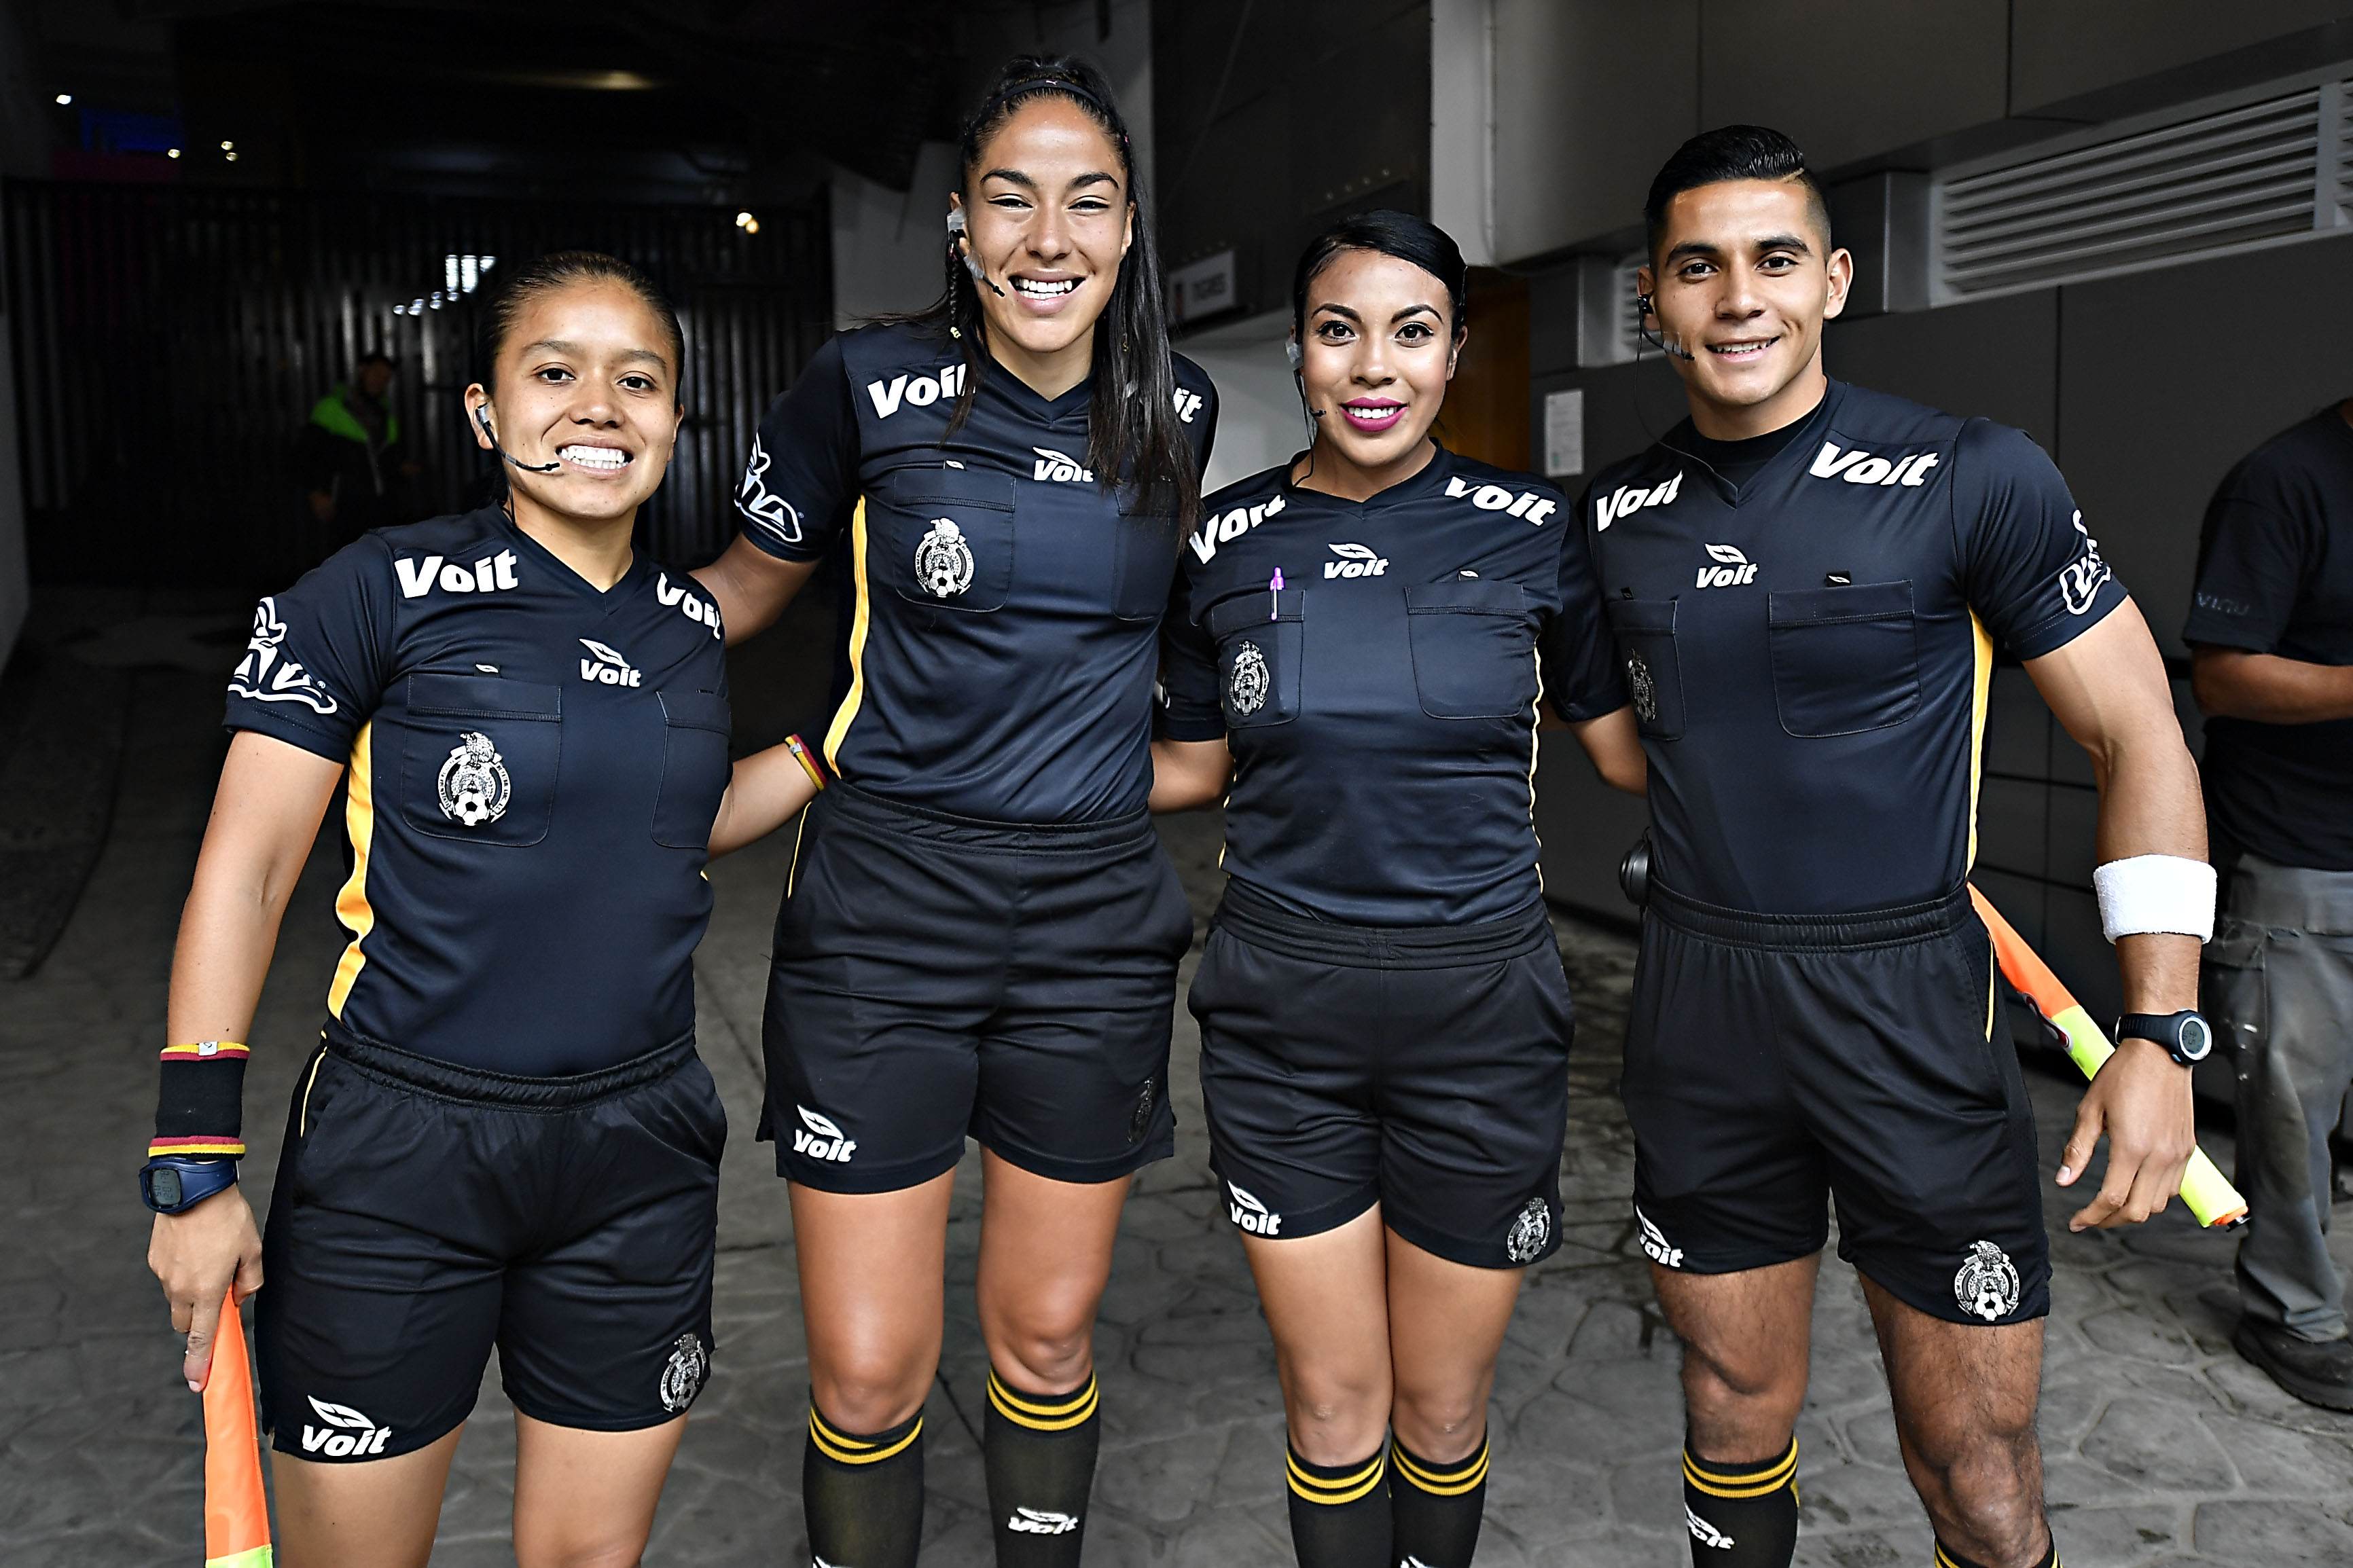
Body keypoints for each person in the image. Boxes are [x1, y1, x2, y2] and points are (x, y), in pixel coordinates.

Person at [143, 251, 829, 1568]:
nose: (599, 405)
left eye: (639, 379)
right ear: (482, 412)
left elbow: (670, 822)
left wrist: (828, 751)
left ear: (677, 419)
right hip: (404, 1150)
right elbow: (246, 867)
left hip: (639, 1149)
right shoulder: (368, 593)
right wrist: (195, 1168)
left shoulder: (685, 623)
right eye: (554, 372)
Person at [1586, 127, 2211, 1568]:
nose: (1738, 296)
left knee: (1979, 1474)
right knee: (1730, 1410)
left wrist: (2161, 1029)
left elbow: (2140, 736)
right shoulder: (1607, 520)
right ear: (1652, 298)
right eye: (1698, 266)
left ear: (1834, 280)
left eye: (1774, 259)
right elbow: (1613, 743)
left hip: (1912, 1008)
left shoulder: (1968, 472)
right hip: (1701, 1008)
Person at [687, 56, 1216, 1568]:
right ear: (965, 234)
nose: (1049, 236)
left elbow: (1183, 666)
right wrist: (543, 618)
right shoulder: (862, 386)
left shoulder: (1176, 400)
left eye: (1087, 201)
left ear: (1124, 237)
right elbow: (735, 591)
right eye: (1012, 198)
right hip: (884, 914)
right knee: (866, 1364)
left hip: (1091, 925)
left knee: (1045, 1339)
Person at [1148, 210, 1643, 1568]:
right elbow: (1182, 768)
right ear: (1302, 354)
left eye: (1409, 332)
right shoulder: (1224, 541)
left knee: (1436, 1405)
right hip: (1279, 1021)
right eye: (1338, 329)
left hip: (1480, 1021)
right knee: (1333, 1399)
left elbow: (1628, 754)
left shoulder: (1538, 530)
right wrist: (960, 757)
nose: (1374, 365)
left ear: (1451, 353)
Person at [2183, 396, 2353, 1410]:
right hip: (2297, 848)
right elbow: (2224, 676)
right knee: (2291, 1103)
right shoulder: (2284, 480)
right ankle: (2292, 1313)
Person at [301, 350, 420, 540]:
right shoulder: (330, 407)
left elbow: (388, 459)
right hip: (342, 510)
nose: (380, 380)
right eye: (377, 373)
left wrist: (403, 468)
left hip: (381, 510)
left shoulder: (385, 415)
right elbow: (305, 455)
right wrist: (315, 494)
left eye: (386, 378)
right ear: (361, 370)